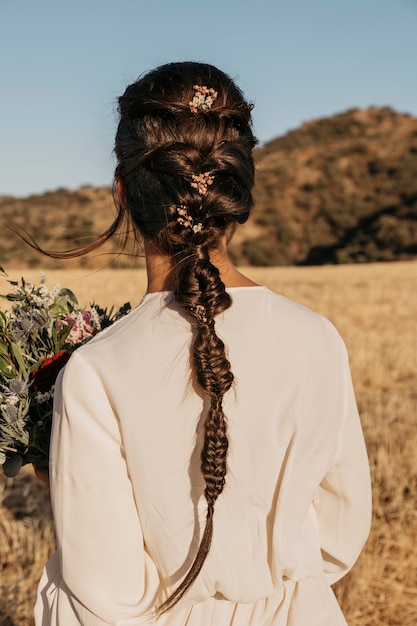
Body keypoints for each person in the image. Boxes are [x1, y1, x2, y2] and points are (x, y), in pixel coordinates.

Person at [34, 62, 371, 626]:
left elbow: (108, 588)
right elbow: (338, 536)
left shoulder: (96, 369)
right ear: (239, 193)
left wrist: (57, 485)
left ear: (122, 193)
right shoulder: (318, 338)